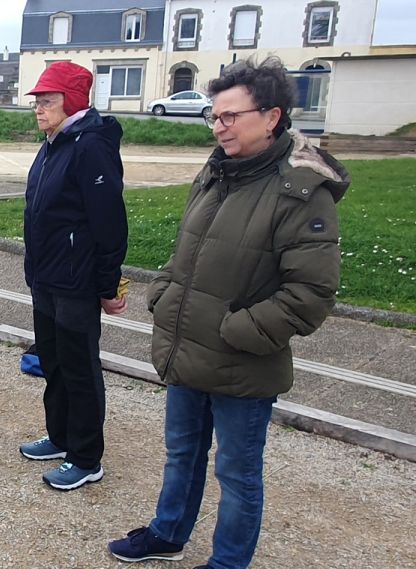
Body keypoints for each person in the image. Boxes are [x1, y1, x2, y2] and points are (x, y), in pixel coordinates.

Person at [107, 57, 347, 569]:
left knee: (237, 475)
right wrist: (165, 294)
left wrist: (238, 330)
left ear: (272, 116)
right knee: (182, 456)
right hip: (188, 348)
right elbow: (186, 251)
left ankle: (228, 562)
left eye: (230, 117)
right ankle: (168, 533)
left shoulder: (301, 191)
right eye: (214, 117)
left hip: (243, 359)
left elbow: (311, 293)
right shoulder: (217, 172)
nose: (219, 127)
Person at [18, 61, 128, 491]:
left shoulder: (90, 146)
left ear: (73, 101)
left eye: (48, 101)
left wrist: (107, 283)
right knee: (53, 360)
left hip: (76, 279)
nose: (39, 109)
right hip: (45, 276)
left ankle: (86, 457)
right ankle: (61, 436)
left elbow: (109, 222)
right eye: (38, 102)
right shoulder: (53, 142)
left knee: (80, 366)